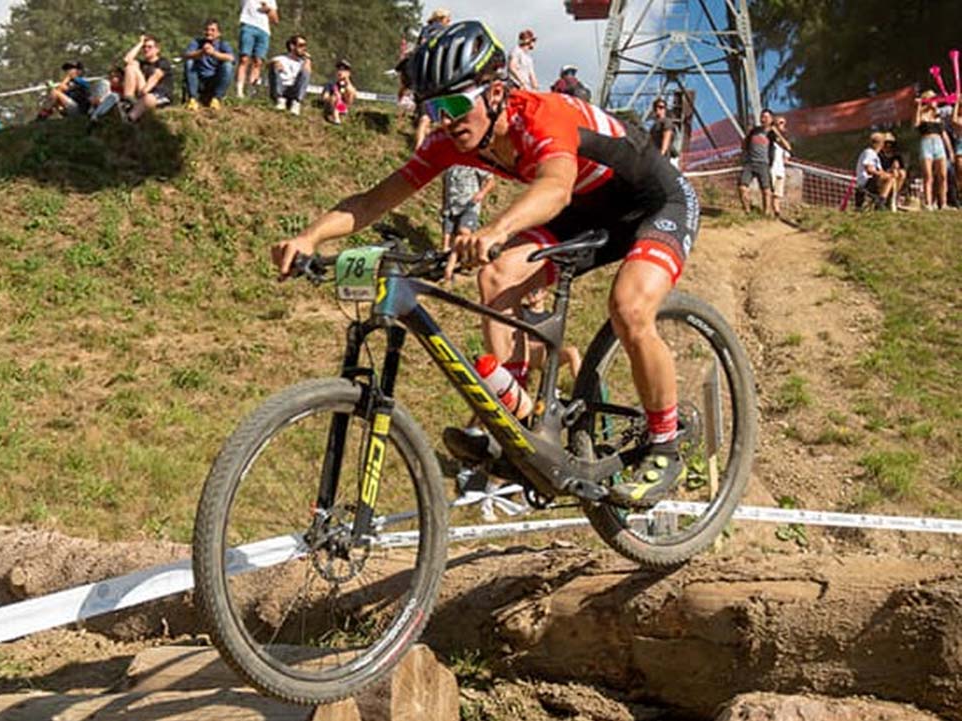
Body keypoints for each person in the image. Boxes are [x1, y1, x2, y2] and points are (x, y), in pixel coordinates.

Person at [272, 21, 702, 509]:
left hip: (655, 203)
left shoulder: (542, 113)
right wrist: (309, 236)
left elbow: (556, 186)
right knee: (495, 276)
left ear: (496, 92)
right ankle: (520, 418)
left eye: (454, 105)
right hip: (586, 208)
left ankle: (665, 442)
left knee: (628, 309)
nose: (444, 120)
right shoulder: (452, 140)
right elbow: (374, 200)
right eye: (432, 108)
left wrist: (495, 231)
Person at [519, 287, 582, 380]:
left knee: (572, 351)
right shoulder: (521, 311)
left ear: (544, 293)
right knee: (536, 345)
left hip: (546, 354)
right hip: (527, 351)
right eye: (528, 291)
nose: (530, 294)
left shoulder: (550, 317)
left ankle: (582, 386)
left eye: (534, 291)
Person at [413, 9, 453, 149]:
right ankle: (441, 150)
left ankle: (418, 149)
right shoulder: (447, 32)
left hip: (423, 78)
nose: (450, 21)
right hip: (440, 78)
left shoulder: (425, 30)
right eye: (448, 18)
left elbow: (418, 50)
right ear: (442, 18)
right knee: (444, 117)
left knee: (425, 116)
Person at [441, 164, 496, 254]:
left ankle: (466, 256)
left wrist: (482, 193)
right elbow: (445, 186)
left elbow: (491, 181)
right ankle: (445, 258)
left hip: (469, 205)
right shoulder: (449, 166)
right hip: (451, 205)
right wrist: (444, 203)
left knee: (464, 231)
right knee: (447, 236)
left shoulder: (474, 164)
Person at [184, 19, 235, 110]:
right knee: (189, 62)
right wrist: (201, 52)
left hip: (214, 80)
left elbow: (231, 58)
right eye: (207, 30)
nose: (209, 32)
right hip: (198, 80)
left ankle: (217, 99)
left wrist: (214, 53)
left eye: (212, 30)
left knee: (228, 66)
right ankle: (193, 99)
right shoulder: (197, 42)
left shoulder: (223, 44)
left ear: (219, 33)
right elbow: (187, 55)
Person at [122, 34, 173, 122]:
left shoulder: (163, 62)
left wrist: (141, 94)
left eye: (150, 47)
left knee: (147, 98)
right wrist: (140, 43)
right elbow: (127, 59)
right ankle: (128, 100)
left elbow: (153, 80)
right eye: (144, 47)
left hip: (159, 95)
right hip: (143, 93)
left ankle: (129, 119)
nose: (146, 49)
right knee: (130, 67)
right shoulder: (142, 63)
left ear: (157, 49)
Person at [914, 90, 951, 210]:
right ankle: (928, 203)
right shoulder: (921, 114)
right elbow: (915, 124)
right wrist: (918, 106)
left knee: (943, 175)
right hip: (926, 143)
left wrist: (949, 150)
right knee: (928, 175)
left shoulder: (938, 115)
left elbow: (944, 133)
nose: (935, 100)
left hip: (939, 143)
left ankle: (943, 203)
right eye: (932, 98)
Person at [236, 0, 279, 99]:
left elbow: (275, 20)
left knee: (258, 61)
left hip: (264, 31)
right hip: (248, 26)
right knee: (244, 59)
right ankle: (239, 91)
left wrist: (268, 10)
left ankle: (251, 91)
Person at [738, 109, 775, 213]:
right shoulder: (754, 131)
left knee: (766, 189)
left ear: (771, 119)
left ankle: (766, 212)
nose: (763, 119)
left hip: (764, 163)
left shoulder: (772, 134)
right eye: (762, 117)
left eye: (766, 117)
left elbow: (785, 145)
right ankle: (747, 211)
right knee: (742, 187)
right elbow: (744, 145)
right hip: (750, 163)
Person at [268, 35, 312, 116]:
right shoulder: (281, 58)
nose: (304, 48)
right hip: (281, 88)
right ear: (292, 46)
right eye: (301, 45)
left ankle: (296, 103)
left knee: (306, 72)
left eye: (305, 46)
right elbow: (270, 63)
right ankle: (280, 100)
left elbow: (307, 72)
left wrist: (308, 59)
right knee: (274, 67)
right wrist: (274, 64)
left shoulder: (303, 62)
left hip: (294, 91)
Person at [855, 132, 896, 211]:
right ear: (881, 144)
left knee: (892, 178)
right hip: (866, 182)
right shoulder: (869, 153)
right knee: (890, 179)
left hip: (871, 180)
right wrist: (883, 174)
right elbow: (869, 170)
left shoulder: (873, 154)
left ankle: (889, 203)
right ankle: (881, 203)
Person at [768, 115, 792, 216]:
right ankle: (767, 210)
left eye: (783, 123)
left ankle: (777, 212)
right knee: (770, 190)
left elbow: (788, 149)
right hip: (771, 167)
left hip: (780, 169)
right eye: (780, 123)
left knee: (778, 192)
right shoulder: (769, 138)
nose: (782, 125)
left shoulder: (784, 140)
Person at [321, 59, 357, 125]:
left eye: (343, 70)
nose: (340, 72)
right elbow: (325, 97)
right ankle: (335, 117)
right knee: (335, 97)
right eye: (339, 69)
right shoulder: (331, 84)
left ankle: (342, 111)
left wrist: (347, 80)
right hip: (332, 105)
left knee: (350, 90)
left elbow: (353, 93)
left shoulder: (348, 85)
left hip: (343, 107)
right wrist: (334, 97)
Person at [878, 132, 907, 211]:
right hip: (882, 176)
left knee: (901, 173)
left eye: (890, 143)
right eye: (886, 143)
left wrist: (895, 168)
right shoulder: (879, 155)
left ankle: (894, 196)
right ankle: (889, 199)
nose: (888, 146)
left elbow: (902, 168)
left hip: (895, 177)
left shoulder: (897, 156)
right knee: (893, 174)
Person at [649, 97, 678, 165]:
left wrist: (662, 153)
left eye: (661, 107)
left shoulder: (666, 121)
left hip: (667, 157)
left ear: (665, 109)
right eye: (656, 107)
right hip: (657, 156)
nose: (658, 109)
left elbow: (667, 136)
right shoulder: (653, 126)